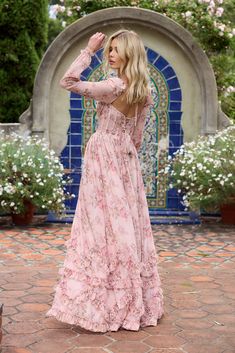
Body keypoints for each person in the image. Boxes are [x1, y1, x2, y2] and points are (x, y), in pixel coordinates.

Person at [46, 29, 164, 332]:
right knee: (125, 224)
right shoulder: (143, 90)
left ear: (128, 54)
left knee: (99, 224)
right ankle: (130, 296)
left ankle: (104, 298)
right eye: (107, 49)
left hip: (104, 156)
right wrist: (121, 153)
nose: (109, 54)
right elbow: (136, 139)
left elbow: (67, 82)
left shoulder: (112, 86)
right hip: (126, 160)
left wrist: (88, 50)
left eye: (115, 49)